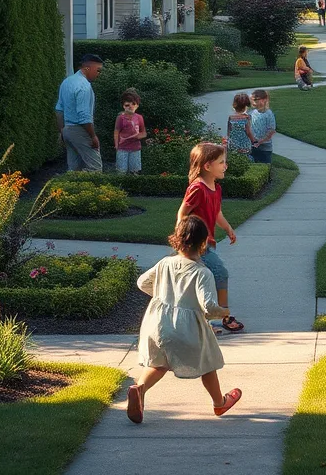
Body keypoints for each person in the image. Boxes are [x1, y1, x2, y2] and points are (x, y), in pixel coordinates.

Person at [126, 215, 241, 424]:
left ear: (176, 239)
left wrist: (163, 295)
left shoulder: (165, 263)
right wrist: (224, 312)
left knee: (159, 363)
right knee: (207, 362)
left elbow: (142, 282)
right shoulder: (202, 272)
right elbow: (207, 307)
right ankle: (219, 402)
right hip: (185, 327)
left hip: (156, 322)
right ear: (204, 243)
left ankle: (139, 389)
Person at [177, 142, 246, 333]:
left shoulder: (215, 187)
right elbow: (182, 214)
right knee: (220, 273)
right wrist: (184, 241)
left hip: (209, 243)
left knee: (200, 283)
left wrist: (228, 228)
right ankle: (223, 315)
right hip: (196, 245)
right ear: (207, 166)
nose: (226, 166)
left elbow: (216, 214)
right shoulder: (197, 188)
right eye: (221, 162)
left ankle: (203, 322)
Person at [55, 54, 104, 172]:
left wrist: (62, 131)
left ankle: (67, 188)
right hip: (79, 130)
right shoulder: (84, 86)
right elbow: (84, 117)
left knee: (74, 169)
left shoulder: (67, 82)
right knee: (95, 169)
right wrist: (93, 136)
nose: (99, 74)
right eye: (98, 70)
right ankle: (89, 190)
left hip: (67, 129)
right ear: (87, 68)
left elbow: (58, 110)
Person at [114, 88, 147, 175]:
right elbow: (116, 131)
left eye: (133, 104)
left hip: (135, 148)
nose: (131, 107)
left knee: (135, 172)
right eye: (127, 105)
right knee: (121, 172)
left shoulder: (139, 117)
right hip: (122, 148)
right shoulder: (121, 118)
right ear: (123, 105)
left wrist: (137, 136)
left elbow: (143, 133)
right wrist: (117, 145)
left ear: (137, 105)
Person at [249, 90, 276, 165]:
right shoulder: (251, 113)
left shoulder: (269, 114)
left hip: (265, 147)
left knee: (265, 165)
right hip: (253, 145)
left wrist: (261, 141)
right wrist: (253, 140)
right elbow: (249, 128)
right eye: (252, 100)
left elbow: (271, 130)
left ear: (264, 100)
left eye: (255, 100)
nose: (253, 102)